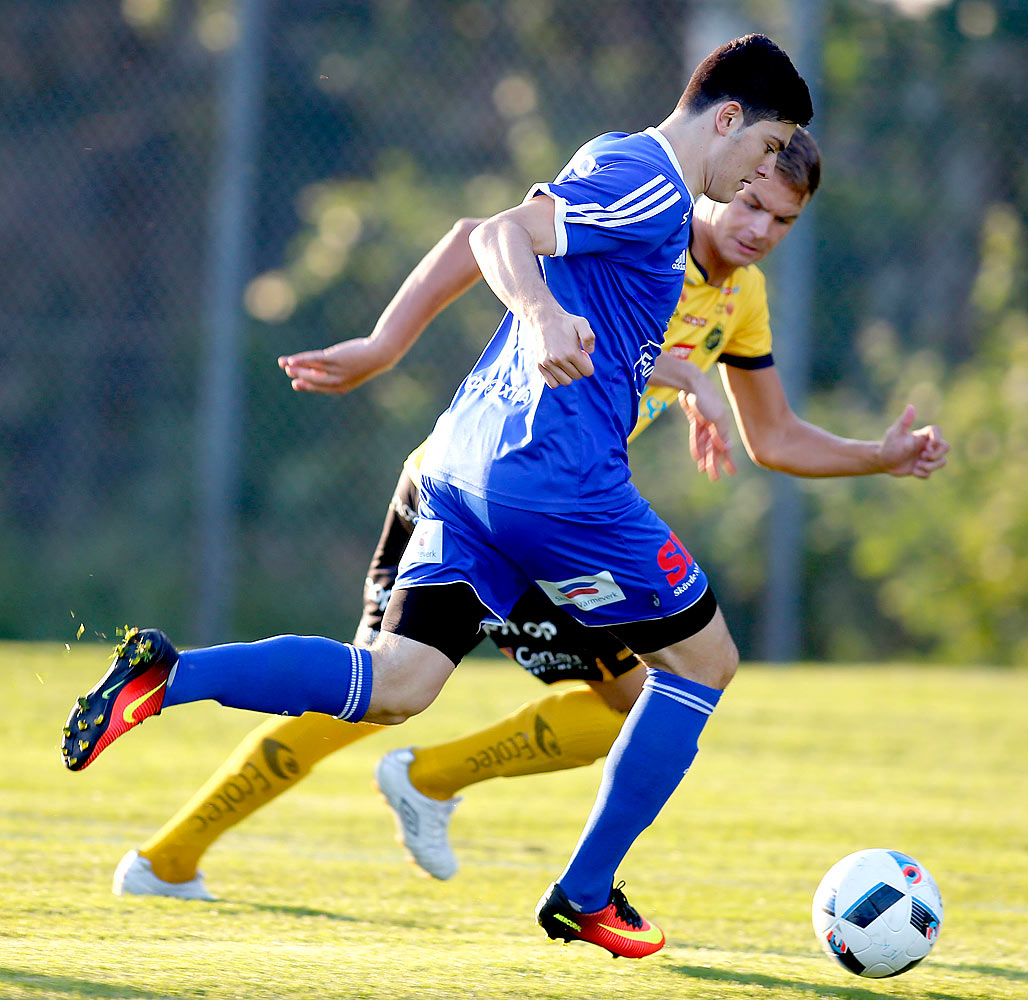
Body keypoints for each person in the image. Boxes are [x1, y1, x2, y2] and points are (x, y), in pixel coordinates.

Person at [64, 34, 817, 958]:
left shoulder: (623, 171)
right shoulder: (653, 180)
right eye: (766, 147)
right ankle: (585, 893)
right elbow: (500, 234)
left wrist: (394, 346)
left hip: (465, 468)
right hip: (559, 481)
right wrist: (538, 315)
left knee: (395, 683)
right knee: (702, 665)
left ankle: (171, 676)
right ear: (730, 117)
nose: (759, 173)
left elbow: (559, 280)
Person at [110, 128, 949, 904]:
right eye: (749, 201)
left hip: (565, 511)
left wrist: (877, 455)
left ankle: (426, 779)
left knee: (627, 696)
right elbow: (485, 233)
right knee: (375, 689)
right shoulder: (642, 221)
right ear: (718, 175)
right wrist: (382, 345)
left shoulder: (743, 297)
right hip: (474, 489)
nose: (758, 226)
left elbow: (772, 435)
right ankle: (175, 856)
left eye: (782, 218)